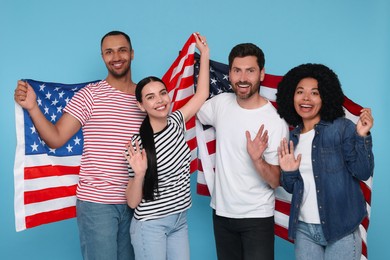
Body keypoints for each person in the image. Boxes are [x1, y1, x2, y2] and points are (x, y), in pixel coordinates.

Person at [13, 31, 145, 260]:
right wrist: (33, 107)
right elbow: (56, 138)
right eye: (109, 51)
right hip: (97, 204)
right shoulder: (90, 95)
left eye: (122, 50)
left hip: (136, 202)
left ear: (132, 53)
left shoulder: (146, 97)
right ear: (103, 57)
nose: (116, 56)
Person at [196, 43, 289, 260]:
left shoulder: (275, 122)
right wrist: (205, 56)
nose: (243, 78)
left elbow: (276, 181)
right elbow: (197, 103)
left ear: (262, 74)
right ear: (229, 74)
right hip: (221, 214)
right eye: (237, 70)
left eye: (250, 70)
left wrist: (257, 160)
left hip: (257, 217)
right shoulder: (220, 104)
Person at [123, 32, 209, 260]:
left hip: (179, 219)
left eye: (162, 93)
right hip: (150, 226)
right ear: (141, 106)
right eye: (150, 97)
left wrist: (205, 54)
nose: (159, 100)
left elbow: (202, 94)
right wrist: (140, 174)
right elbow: (132, 201)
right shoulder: (137, 144)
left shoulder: (177, 121)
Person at [276, 63, 374, 260]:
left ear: (325, 98)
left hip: (341, 230)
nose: (306, 98)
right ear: (291, 97)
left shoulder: (342, 128)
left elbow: (363, 171)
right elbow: (291, 187)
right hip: (304, 231)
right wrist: (288, 172)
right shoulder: (292, 138)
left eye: (315, 93)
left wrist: (362, 136)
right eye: (300, 92)